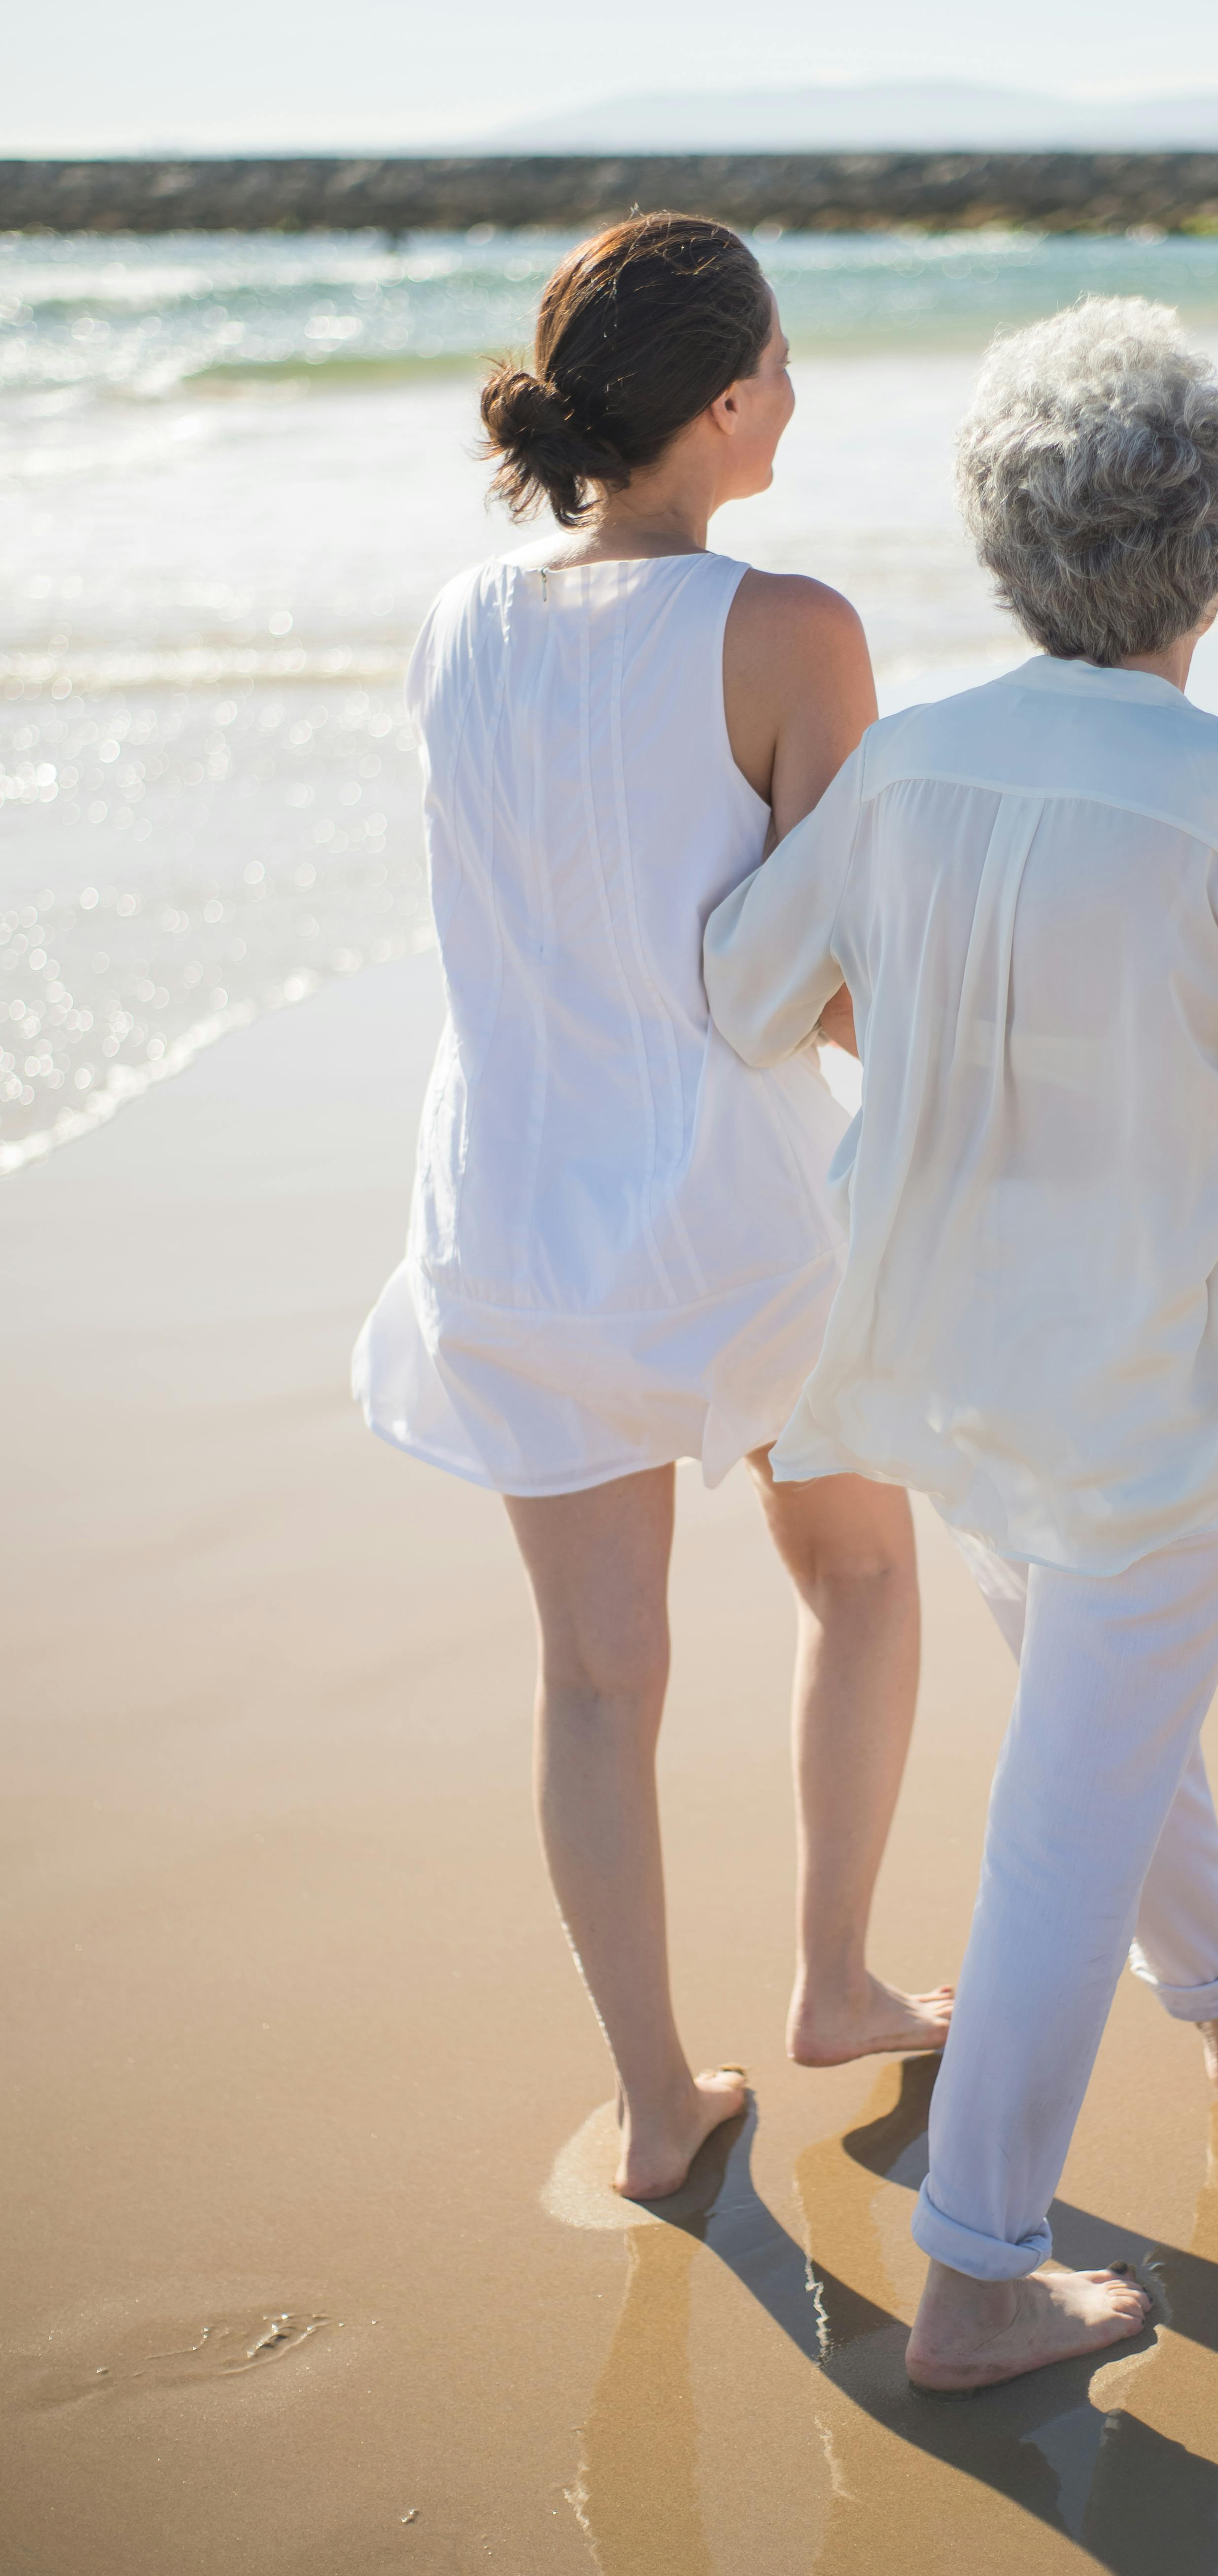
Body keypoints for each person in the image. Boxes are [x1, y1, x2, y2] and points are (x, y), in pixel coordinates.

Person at [704, 296, 1218, 2390]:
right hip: (1148, 1394)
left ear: (1000, 547)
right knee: (1064, 1794)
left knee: (1087, 1717)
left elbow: (743, 991)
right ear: (1209, 553)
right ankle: (973, 2268)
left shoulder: (907, 771)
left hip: (940, 1367)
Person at [353, 213, 949, 2203]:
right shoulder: (789, 628)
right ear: (717, 402)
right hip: (731, 1212)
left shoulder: (456, 620)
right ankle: (840, 1980)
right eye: (780, 361)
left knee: (597, 1676)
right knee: (857, 1576)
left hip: (509, 1216)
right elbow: (826, 975)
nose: (795, 394)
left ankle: (651, 2107)